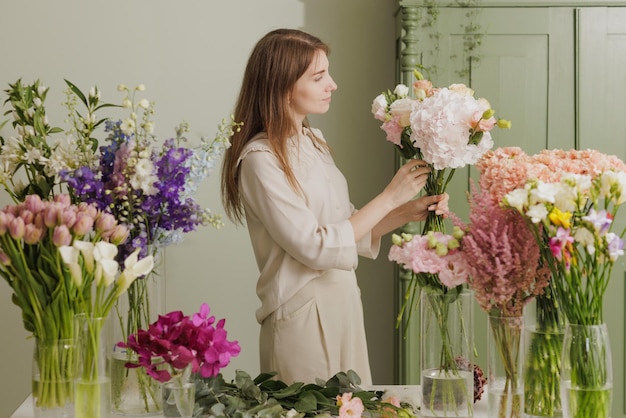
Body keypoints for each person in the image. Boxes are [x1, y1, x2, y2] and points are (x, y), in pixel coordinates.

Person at [220, 28, 448, 385]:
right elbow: (315, 246)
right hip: (302, 318)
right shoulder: (259, 160)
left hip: (342, 303)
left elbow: (346, 229)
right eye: (319, 76)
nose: (333, 84)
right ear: (282, 86)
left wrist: (407, 209)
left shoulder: (313, 141)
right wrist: (390, 195)